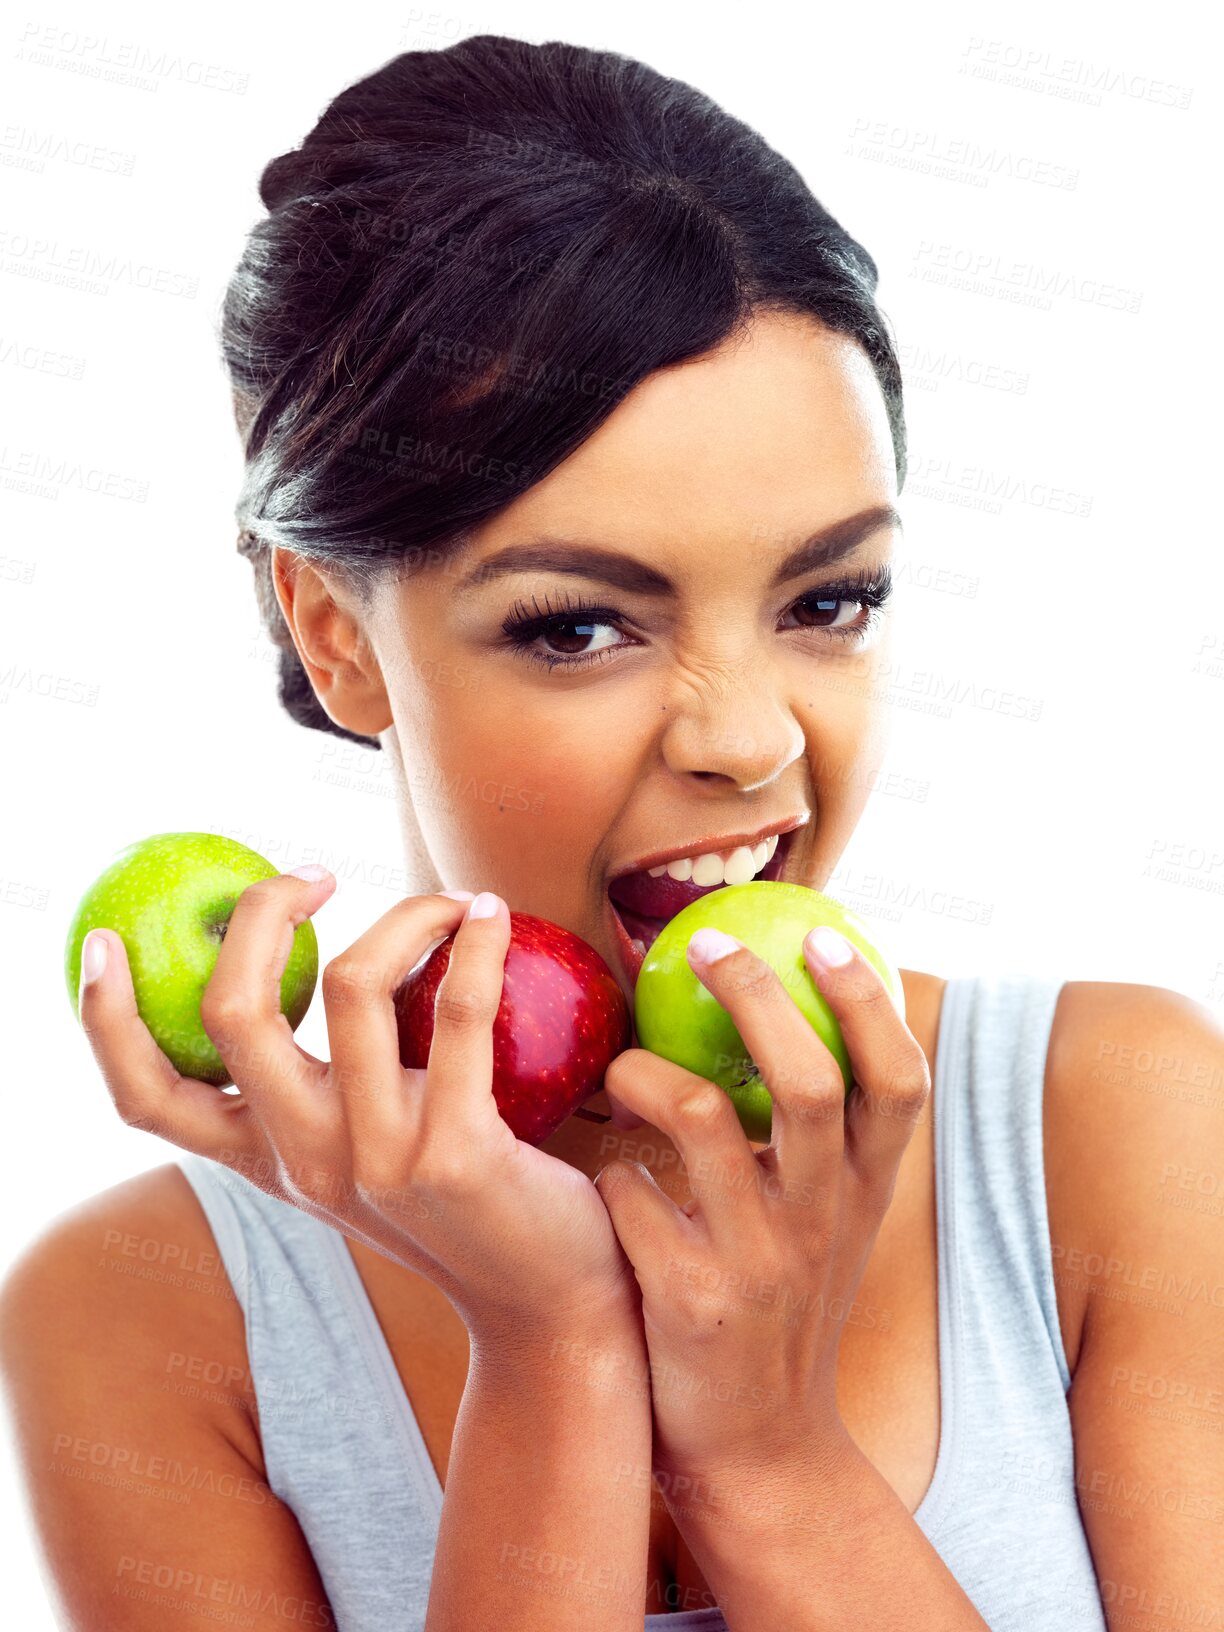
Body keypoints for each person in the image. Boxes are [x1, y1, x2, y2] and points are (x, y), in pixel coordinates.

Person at [2, 33, 1219, 1632]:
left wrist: (771, 1455)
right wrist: (555, 1346)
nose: (752, 738)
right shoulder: (145, 1324)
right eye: (582, 628)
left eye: (829, 599)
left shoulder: (1118, 1131)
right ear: (335, 635)